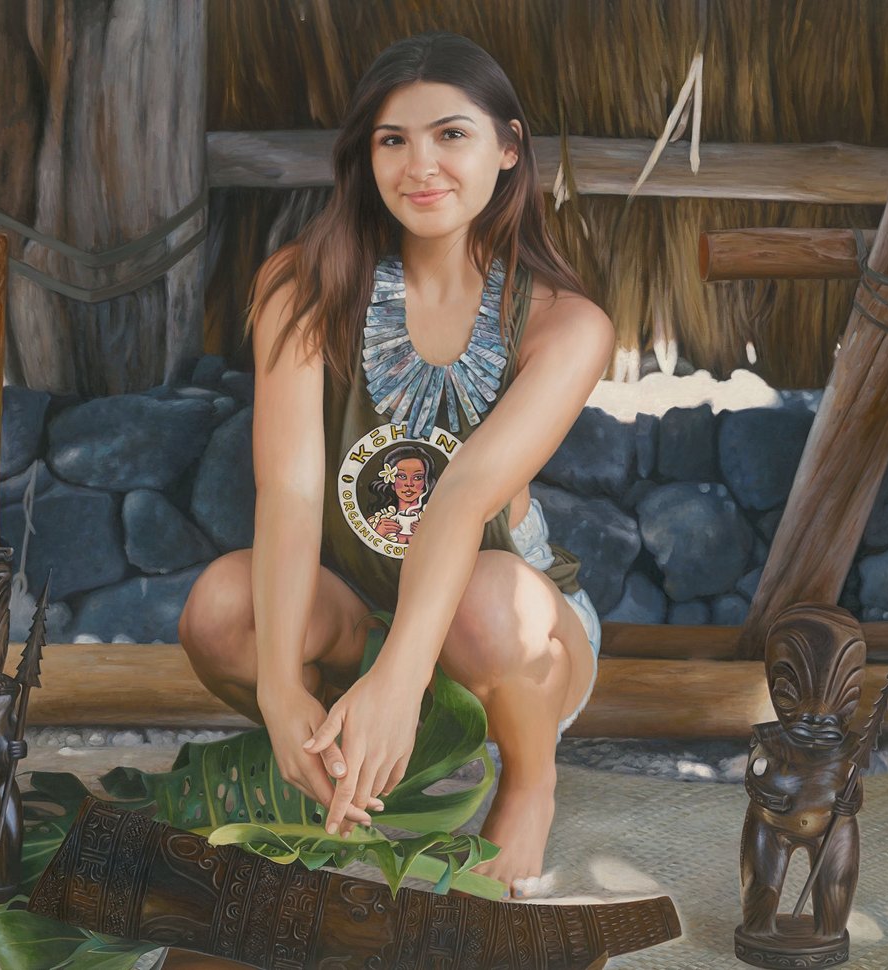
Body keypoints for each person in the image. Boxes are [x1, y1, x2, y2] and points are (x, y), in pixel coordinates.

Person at [179, 30, 615, 899]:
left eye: (451, 134)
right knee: (222, 609)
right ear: (365, 156)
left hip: (503, 625)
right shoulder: (302, 287)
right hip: (359, 608)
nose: (421, 165)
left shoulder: (566, 325)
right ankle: (346, 754)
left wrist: (403, 676)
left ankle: (528, 780)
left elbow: (461, 498)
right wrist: (278, 689)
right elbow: (290, 491)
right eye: (393, 139)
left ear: (508, 147)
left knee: (489, 603)